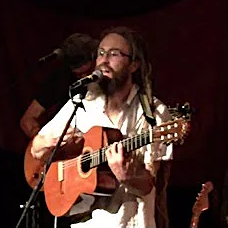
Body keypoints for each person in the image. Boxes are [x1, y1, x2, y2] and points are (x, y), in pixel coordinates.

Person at [30, 26, 173, 228]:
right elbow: (36, 149)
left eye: (114, 54)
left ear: (134, 65)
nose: (104, 60)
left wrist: (127, 176)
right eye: (101, 53)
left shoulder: (154, 113)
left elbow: (150, 184)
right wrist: (50, 144)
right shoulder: (82, 102)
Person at [20, 33, 99, 139]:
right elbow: (27, 120)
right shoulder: (62, 77)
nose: (83, 78)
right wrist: (43, 146)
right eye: (78, 75)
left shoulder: (109, 81)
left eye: (89, 71)